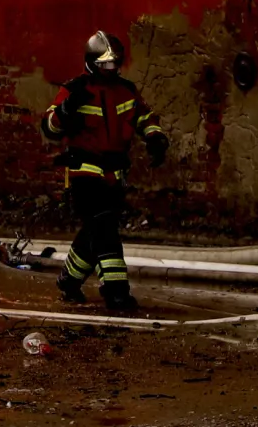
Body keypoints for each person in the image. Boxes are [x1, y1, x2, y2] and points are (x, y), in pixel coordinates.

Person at [41, 30, 168, 311]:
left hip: (114, 174)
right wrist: (64, 110)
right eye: (105, 64)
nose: (111, 69)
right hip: (84, 171)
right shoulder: (75, 90)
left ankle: (69, 280)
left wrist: (155, 137)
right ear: (92, 62)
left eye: (114, 63)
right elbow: (49, 127)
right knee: (105, 228)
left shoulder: (126, 90)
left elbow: (144, 116)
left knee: (95, 230)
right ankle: (116, 291)